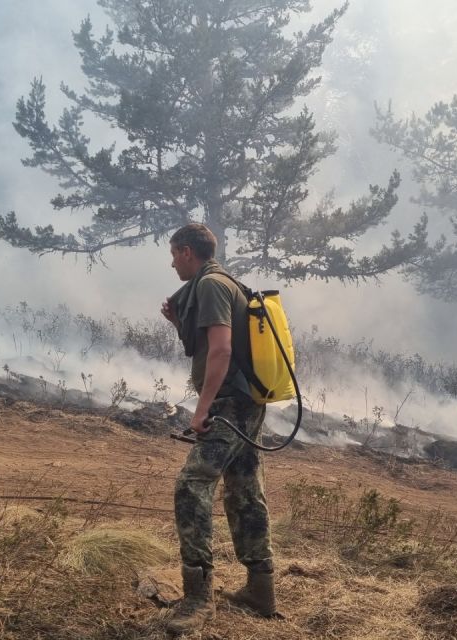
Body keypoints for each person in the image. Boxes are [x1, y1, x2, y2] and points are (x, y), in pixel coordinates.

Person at [160, 223, 278, 635]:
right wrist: (179, 323)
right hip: (248, 403)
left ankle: (197, 597)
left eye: (174, 254)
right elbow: (208, 345)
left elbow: (223, 350)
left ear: (188, 251)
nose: (172, 261)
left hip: (229, 404)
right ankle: (261, 588)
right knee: (245, 488)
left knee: (191, 485)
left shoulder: (210, 286)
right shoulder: (227, 281)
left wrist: (201, 409)